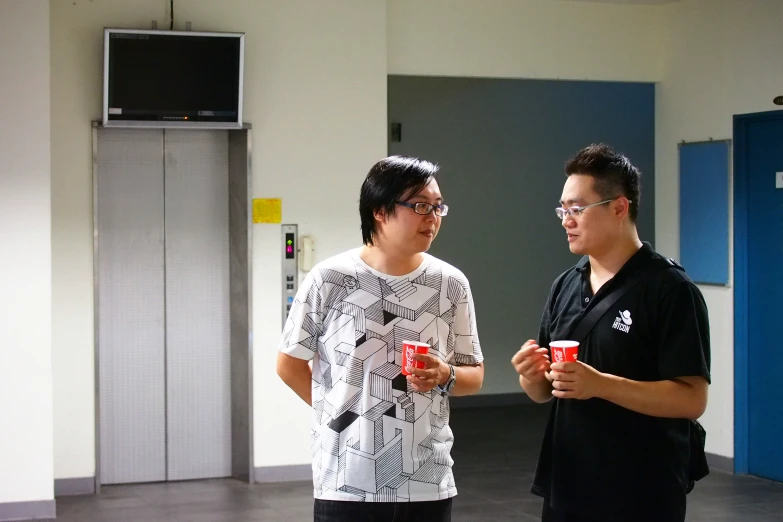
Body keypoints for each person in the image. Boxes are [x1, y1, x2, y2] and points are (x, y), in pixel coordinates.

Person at [276, 155, 485, 522]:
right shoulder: (330, 279)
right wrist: (336, 412)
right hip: (345, 479)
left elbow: (474, 375)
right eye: (420, 206)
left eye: (438, 207)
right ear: (379, 210)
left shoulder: (451, 284)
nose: (432, 217)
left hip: (425, 476)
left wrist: (443, 375)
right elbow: (289, 364)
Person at [511, 144, 711, 522]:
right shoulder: (565, 285)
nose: (565, 220)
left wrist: (601, 384)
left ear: (619, 208)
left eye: (576, 209)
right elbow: (543, 393)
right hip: (568, 480)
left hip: (640, 489)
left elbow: (691, 400)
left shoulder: (669, 289)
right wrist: (531, 376)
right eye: (562, 210)